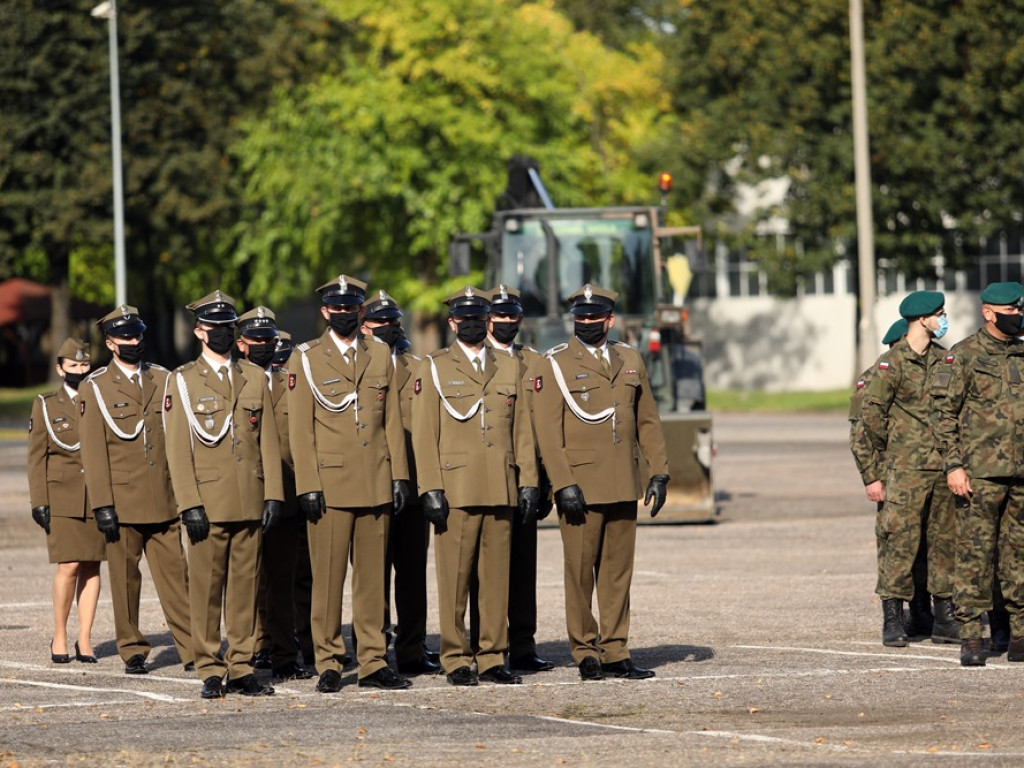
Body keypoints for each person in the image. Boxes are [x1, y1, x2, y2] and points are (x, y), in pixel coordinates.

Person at [533, 284, 669, 681]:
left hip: (623, 480)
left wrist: (658, 471)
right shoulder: (554, 363)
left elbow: (647, 419)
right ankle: (585, 650)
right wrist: (562, 483)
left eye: (595, 317)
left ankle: (616, 649)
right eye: (581, 318)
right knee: (580, 572)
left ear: (609, 319)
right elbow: (547, 431)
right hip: (581, 484)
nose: (587, 323)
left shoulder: (629, 358)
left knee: (617, 573)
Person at [290, 275, 412, 692]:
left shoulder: (380, 354)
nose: (344, 313)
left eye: (351, 307)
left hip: (375, 478)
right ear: (325, 311)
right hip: (330, 482)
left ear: (361, 312)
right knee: (327, 580)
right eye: (336, 308)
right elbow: (300, 430)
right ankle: (328, 660)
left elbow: (392, 419)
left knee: (372, 579)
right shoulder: (305, 358)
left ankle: (374, 660)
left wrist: (400, 475)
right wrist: (307, 482)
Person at [412, 286, 539, 686]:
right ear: (452, 323)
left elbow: (521, 430)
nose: (471, 325)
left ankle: (492, 656)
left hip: (500, 484)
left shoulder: (509, 367)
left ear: (489, 321)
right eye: (463, 319)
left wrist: (529, 480)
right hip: (456, 488)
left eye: (478, 319)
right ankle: (455, 657)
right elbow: (423, 433)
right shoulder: (434, 367)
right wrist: (430, 487)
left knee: (496, 579)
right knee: (455, 580)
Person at [164, 290, 285, 698]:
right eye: (215, 328)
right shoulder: (181, 381)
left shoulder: (252, 375)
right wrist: (189, 502)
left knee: (246, 588)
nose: (223, 334)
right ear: (200, 331)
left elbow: (267, 438)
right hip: (208, 503)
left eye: (228, 329)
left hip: (249, 496)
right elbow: (178, 449)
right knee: (207, 588)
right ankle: (210, 668)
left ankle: (242, 665)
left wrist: (273, 494)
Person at [79, 305, 194, 675]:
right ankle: (132, 648)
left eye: (138, 335)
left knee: (178, 580)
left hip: (164, 498)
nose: (134, 341)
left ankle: (193, 648)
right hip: (123, 501)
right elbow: (93, 451)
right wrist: (102, 505)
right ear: (110, 342)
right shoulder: (94, 387)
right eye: (126, 337)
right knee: (125, 581)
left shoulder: (163, 379)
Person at [932, 281, 1024, 667]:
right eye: (1010, 312)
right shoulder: (965, 355)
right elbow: (943, 414)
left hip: (1020, 474)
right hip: (979, 474)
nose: (1017, 317)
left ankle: (1019, 633)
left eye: (1019, 310)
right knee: (974, 554)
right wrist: (954, 465)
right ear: (989, 313)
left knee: (1018, 555)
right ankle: (971, 634)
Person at [861, 293, 959, 648]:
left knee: (943, 545)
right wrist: (872, 474)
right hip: (903, 472)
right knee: (899, 544)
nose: (944, 319)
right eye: (939, 314)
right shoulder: (892, 365)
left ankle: (944, 617)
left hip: (942, 471)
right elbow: (868, 423)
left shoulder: (945, 360)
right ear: (921, 319)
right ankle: (893, 617)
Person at [467, 285, 554, 672]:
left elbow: (545, 424)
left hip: (526, 474)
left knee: (523, 565)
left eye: (513, 316)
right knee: (480, 567)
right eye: (499, 316)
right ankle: (483, 644)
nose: (506, 322)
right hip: (485, 474)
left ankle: (522, 644)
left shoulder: (533, 361)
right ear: (487, 319)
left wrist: (544, 480)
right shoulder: (474, 361)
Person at [360, 290, 440, 677]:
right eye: (380, 324)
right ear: (364, 327)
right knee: (372, 575)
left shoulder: (417, 366)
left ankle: (412, 648)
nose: (389, 329)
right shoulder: (356, 365)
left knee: (411, 573)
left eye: (394, 323)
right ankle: (373, 650)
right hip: (370, 482)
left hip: (410, 483)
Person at [236, 307, 313, 682]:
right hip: (246, 491)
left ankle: (284, 653)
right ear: (241, 344)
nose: (266, 346)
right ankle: (251, 647)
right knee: (247, 578)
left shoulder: (291, 382)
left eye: (270, 340)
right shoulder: (234, 381)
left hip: (287, 491)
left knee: (283, 578)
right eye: (258, 340)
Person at [27, 338, 105, 665]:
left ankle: (84, 638)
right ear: (60, 368)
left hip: (97, 495)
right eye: (72, 366)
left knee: (92, 565)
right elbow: (36, 457)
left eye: (84, 365)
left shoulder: (99, 399)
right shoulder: (46, 404)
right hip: (62, 496)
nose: (79, 371)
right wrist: (39, 501)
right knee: (69, 565)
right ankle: (59, 634)